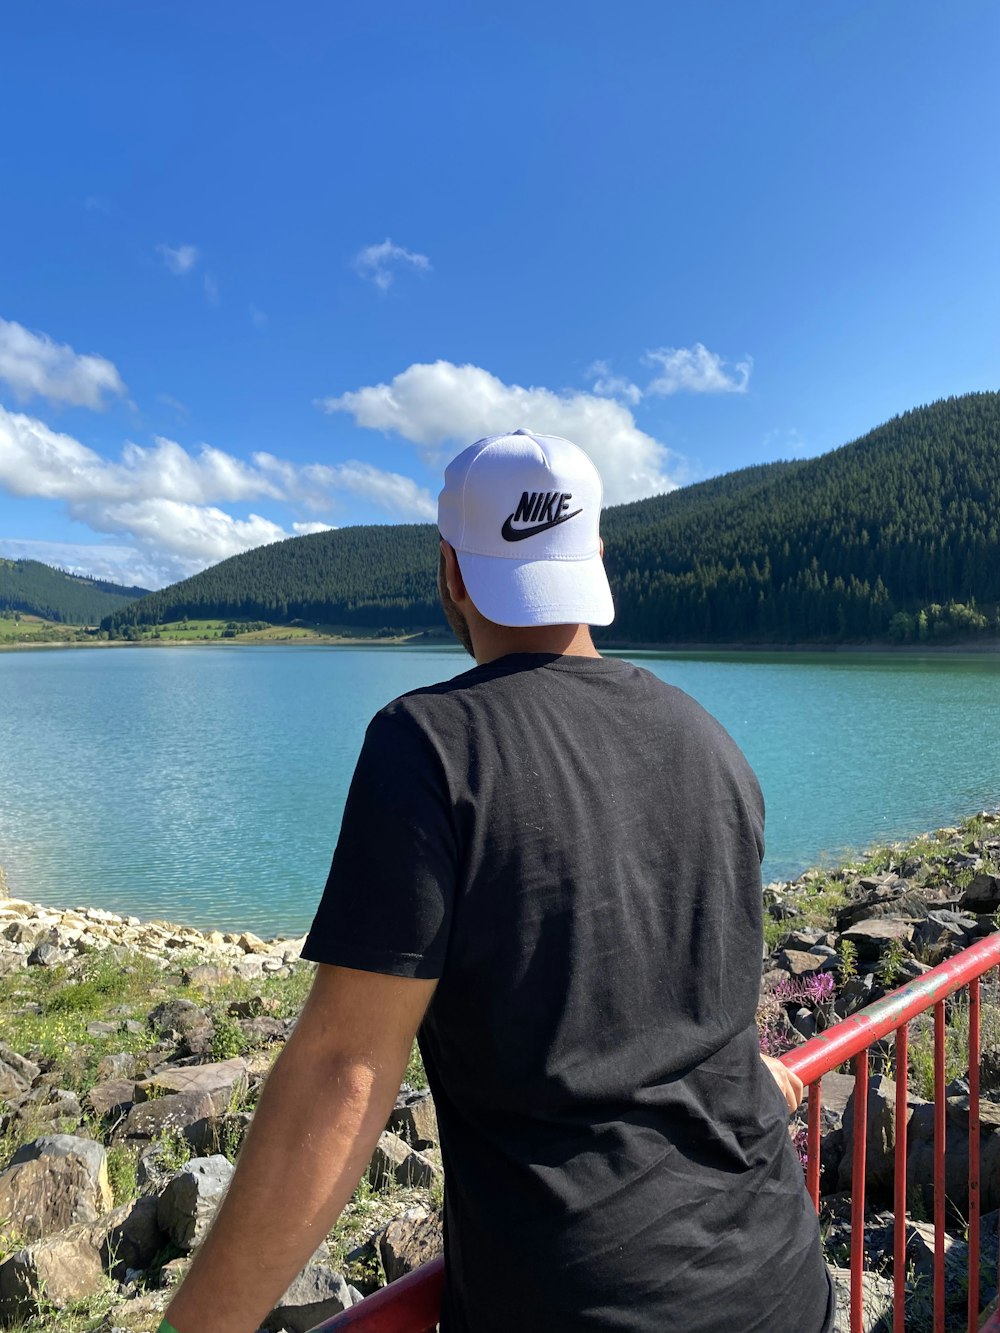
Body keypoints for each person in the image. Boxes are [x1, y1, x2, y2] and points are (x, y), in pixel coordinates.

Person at [162, 429, 833, 1333]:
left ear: (452, 572)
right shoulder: (711, 743)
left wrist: (194, 1326)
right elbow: (690, 1008)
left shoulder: (429, 746)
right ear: (596, 559)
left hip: (582, 1305)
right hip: (782, 1281)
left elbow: (342, 1069)